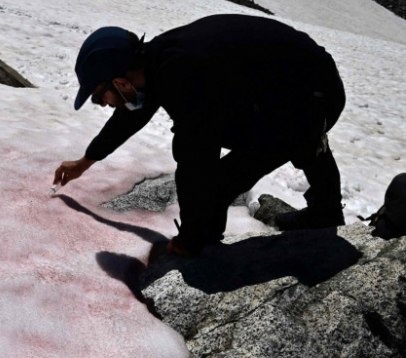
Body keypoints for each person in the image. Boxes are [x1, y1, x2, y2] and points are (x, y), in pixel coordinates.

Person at [53, 14, 347, 257]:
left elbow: (196, 158)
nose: (102, 103)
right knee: (239, 135)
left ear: (120, 82)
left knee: (216, 176)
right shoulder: (156, 60)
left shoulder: (182, 75)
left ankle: (321, 210)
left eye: (98, 96)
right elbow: (130, 117)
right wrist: (84, 162)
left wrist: (191, 238)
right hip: (304, 83)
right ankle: (323, 200)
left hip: (313, 94)